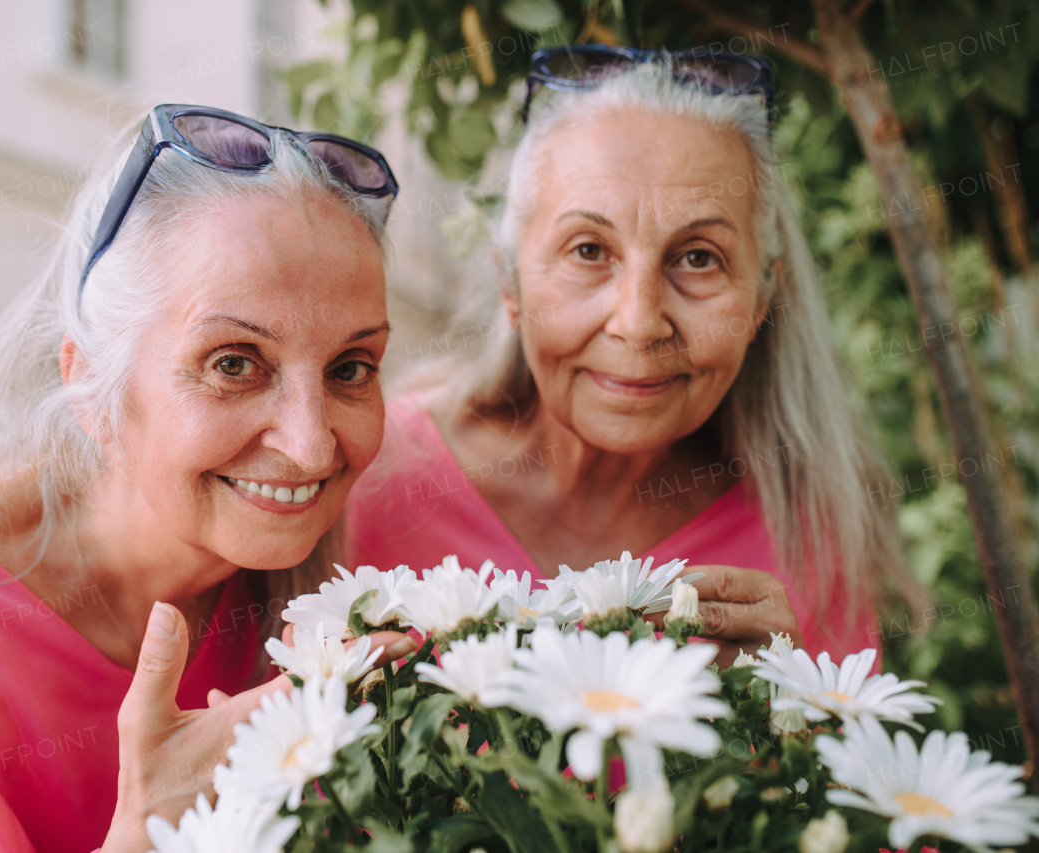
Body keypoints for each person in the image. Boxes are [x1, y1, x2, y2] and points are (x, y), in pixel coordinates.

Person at [0, 105, 414, 852]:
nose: (309, 444)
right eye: (234, 363)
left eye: (350, 367)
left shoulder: (340, 577)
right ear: (90, 384)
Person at [349, 48, 926, 666]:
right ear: (510, 284)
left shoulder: (806, 544)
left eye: (699, 257)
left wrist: (793, 716)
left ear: (762, 300)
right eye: (589, 250)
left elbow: (847, 754)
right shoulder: (369, 478)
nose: (639, 323)